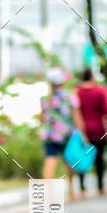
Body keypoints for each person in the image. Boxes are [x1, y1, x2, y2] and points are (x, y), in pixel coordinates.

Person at [40, 67, 85, 200]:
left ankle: (50, 196)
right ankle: (71, 191)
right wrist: (83, 134)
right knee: (69, 164)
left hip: (49, 136)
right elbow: (77, 117)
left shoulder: (45, 98)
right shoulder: (70, 96)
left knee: (49, 164)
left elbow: (42, 118)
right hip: (66, 135)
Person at [75, 68, 107, 194]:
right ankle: (100, 186)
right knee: (99, 158)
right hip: (98, 130)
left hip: (82, 130)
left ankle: (82, 187)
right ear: (92, 77)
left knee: (82, 157)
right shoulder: (100, 91)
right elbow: (106, 111)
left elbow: (74, 111)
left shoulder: (77, 92)